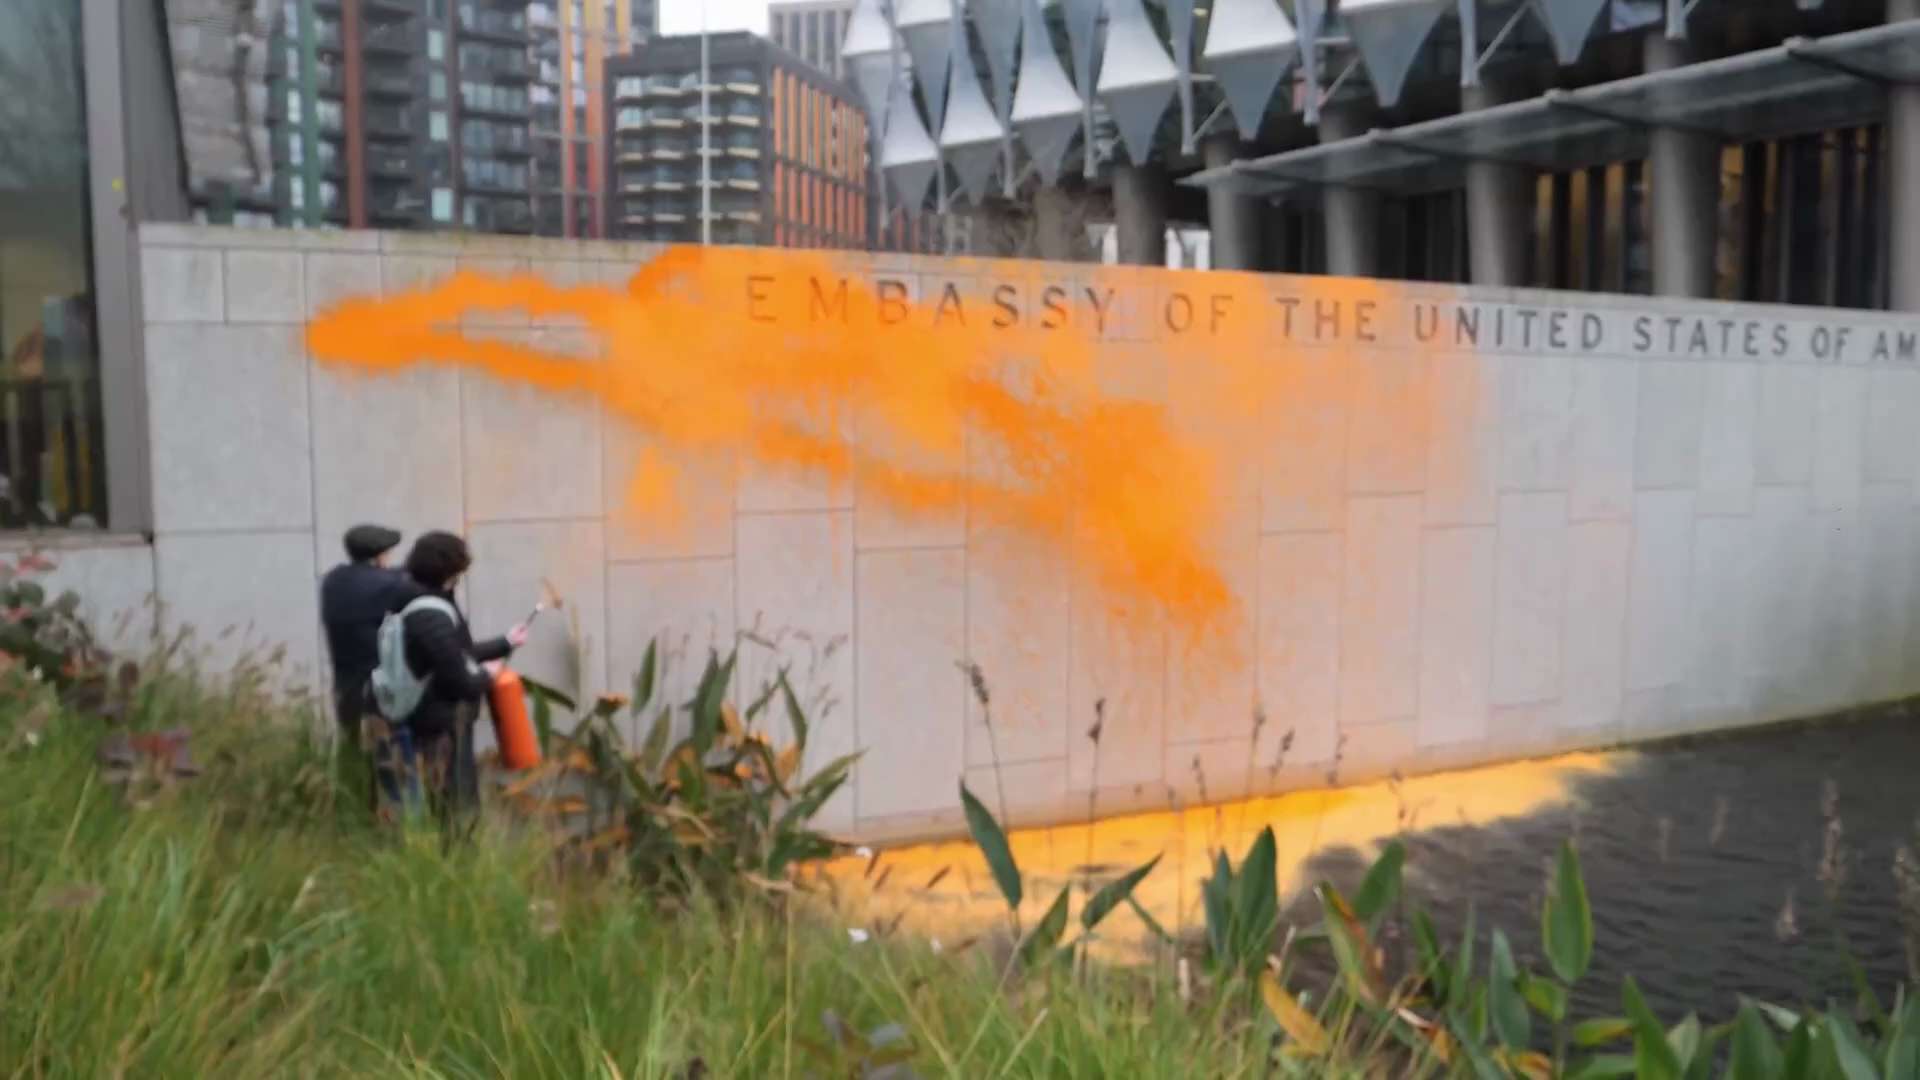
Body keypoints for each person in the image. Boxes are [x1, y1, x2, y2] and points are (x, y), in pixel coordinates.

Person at [373, 530, 529, 822]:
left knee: (448, 805)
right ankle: (457, 862)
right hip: (441, 726)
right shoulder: (430, 615)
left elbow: (456, 651)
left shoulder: (425, 599)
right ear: (448, 570)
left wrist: (505, 642)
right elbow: (460, 679)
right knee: (456, 811)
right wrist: (488, 675)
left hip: (437, 721)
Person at [319, 524, 408, 746]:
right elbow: (395, 581)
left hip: (345, 683)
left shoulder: (333, 580)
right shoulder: (387, 583)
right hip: (380, 685)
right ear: (380, 556)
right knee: (388, 750)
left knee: (350, 745)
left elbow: (372, 578)